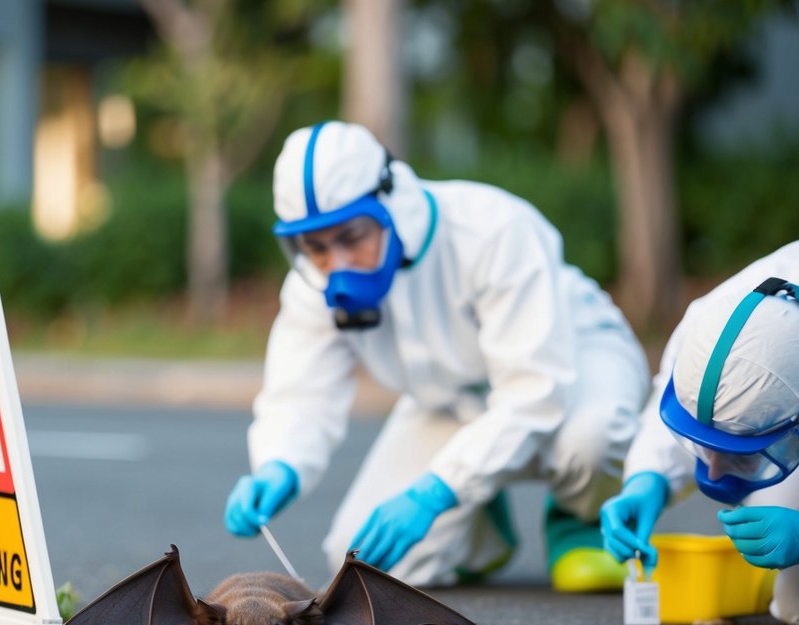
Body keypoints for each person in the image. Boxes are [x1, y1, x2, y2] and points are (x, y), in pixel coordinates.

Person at [223, 120, 649, 592]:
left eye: (351, 236)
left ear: (391, 202)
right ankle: (483, 531)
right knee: (364, 561)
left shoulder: (492, 228)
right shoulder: (314, 282)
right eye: (316, 245)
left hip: (574, 366)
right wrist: (278, 462)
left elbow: (535, 394)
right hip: (450, 400)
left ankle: (579, 521)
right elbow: (301, 389)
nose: (335, 264)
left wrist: (435, 491)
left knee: (591, 438)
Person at [600, 235, 799, 625]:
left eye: (741, 448)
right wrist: (649, 478)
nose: (712, 473)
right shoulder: (717, 318)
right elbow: (689, 401)